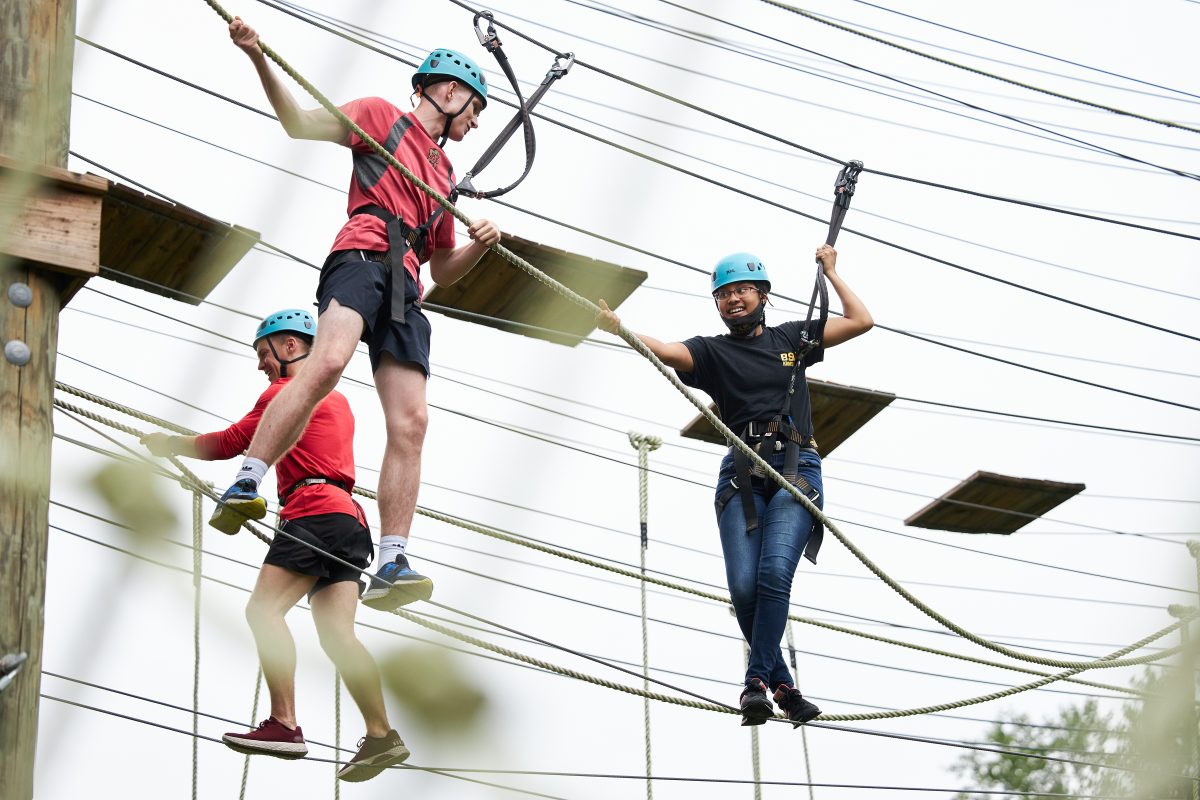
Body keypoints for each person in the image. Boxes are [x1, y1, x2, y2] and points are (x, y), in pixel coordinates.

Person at [210, 17, 503, 612]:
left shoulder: (444, 173)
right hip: (365, 252)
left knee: (413, 422)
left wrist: (481, 244)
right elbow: (298, 124)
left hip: (408, 286)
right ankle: (247, 477)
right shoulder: (377, 116)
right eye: (473, 109)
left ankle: (393, 556)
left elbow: (443, 268)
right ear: (448, 92)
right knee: (326, 365)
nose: (473, 124)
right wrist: (257, 55)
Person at [597, 244, 873, 727]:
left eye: (743, 290)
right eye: (724, 294)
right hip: (740, 477)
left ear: (763, 295)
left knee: (771, 576)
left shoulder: (793, 338)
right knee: (745, 588)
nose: (733, 300)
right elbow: (664, 350)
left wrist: (831, 272)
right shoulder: (712, 351)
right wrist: (622, 330)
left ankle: (756, 682)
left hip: (796, 469)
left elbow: (860, 320)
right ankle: (784, 688)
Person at [141, 309, 408, 782]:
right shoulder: (339, 400)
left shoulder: (285, 393)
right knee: (338, 635)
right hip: (348, 521)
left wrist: (171, 444)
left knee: (262, 612)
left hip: (312, 513)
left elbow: (231, 442)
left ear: (291, 347)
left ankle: (284, 723)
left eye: (265, 354)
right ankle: (382, 732)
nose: (262, 365)